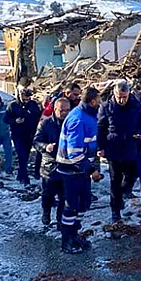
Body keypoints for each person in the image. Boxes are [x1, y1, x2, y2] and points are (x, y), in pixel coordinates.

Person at [57, 87, 102, 254]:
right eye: (99, 100)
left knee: (84, 203)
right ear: (92, 101)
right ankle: (66, 240)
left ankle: (74, 233)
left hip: (80, 170)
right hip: (71, 170)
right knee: (71, 206)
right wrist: (91, 170)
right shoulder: (78, 119)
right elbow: (74, 153)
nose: (101, 103)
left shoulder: (88, 116)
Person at [97, 79, 141, 223]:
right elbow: (100, 127)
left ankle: (123, 192)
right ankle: (115, 210)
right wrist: (100, 147)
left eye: (124, 97)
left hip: (130, 145)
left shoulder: (135, 105)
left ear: (129, 93)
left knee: (133, 173)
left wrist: (139, 132)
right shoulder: (106, 107)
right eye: (119, 97)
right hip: (114, 147)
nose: (122, 100)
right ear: (114, 94)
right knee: (115, 180)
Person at [34, 97, 70, 226]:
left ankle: (60, 219)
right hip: (50, 166)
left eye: (67, 110)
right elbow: (36, 141)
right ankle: (46, 212)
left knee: (64, 196)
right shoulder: (46, 123)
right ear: (55, 110)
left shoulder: (71, 123)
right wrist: (46, 147)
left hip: (66, 165)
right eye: (62, 110)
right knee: (48, 195)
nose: (64, 113)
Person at [4, 89, 42, 185]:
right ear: (20, 96)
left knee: (26, 156)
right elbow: (6, 119)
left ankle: (20, 174)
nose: (27, 100)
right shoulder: (12, 105)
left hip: (29, 134)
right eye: (25, 98)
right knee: (22, 155)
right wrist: (15, 121)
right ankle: (25, 178)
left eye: (28, 98)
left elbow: (38, 116)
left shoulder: (33, 104)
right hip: (17, 134)